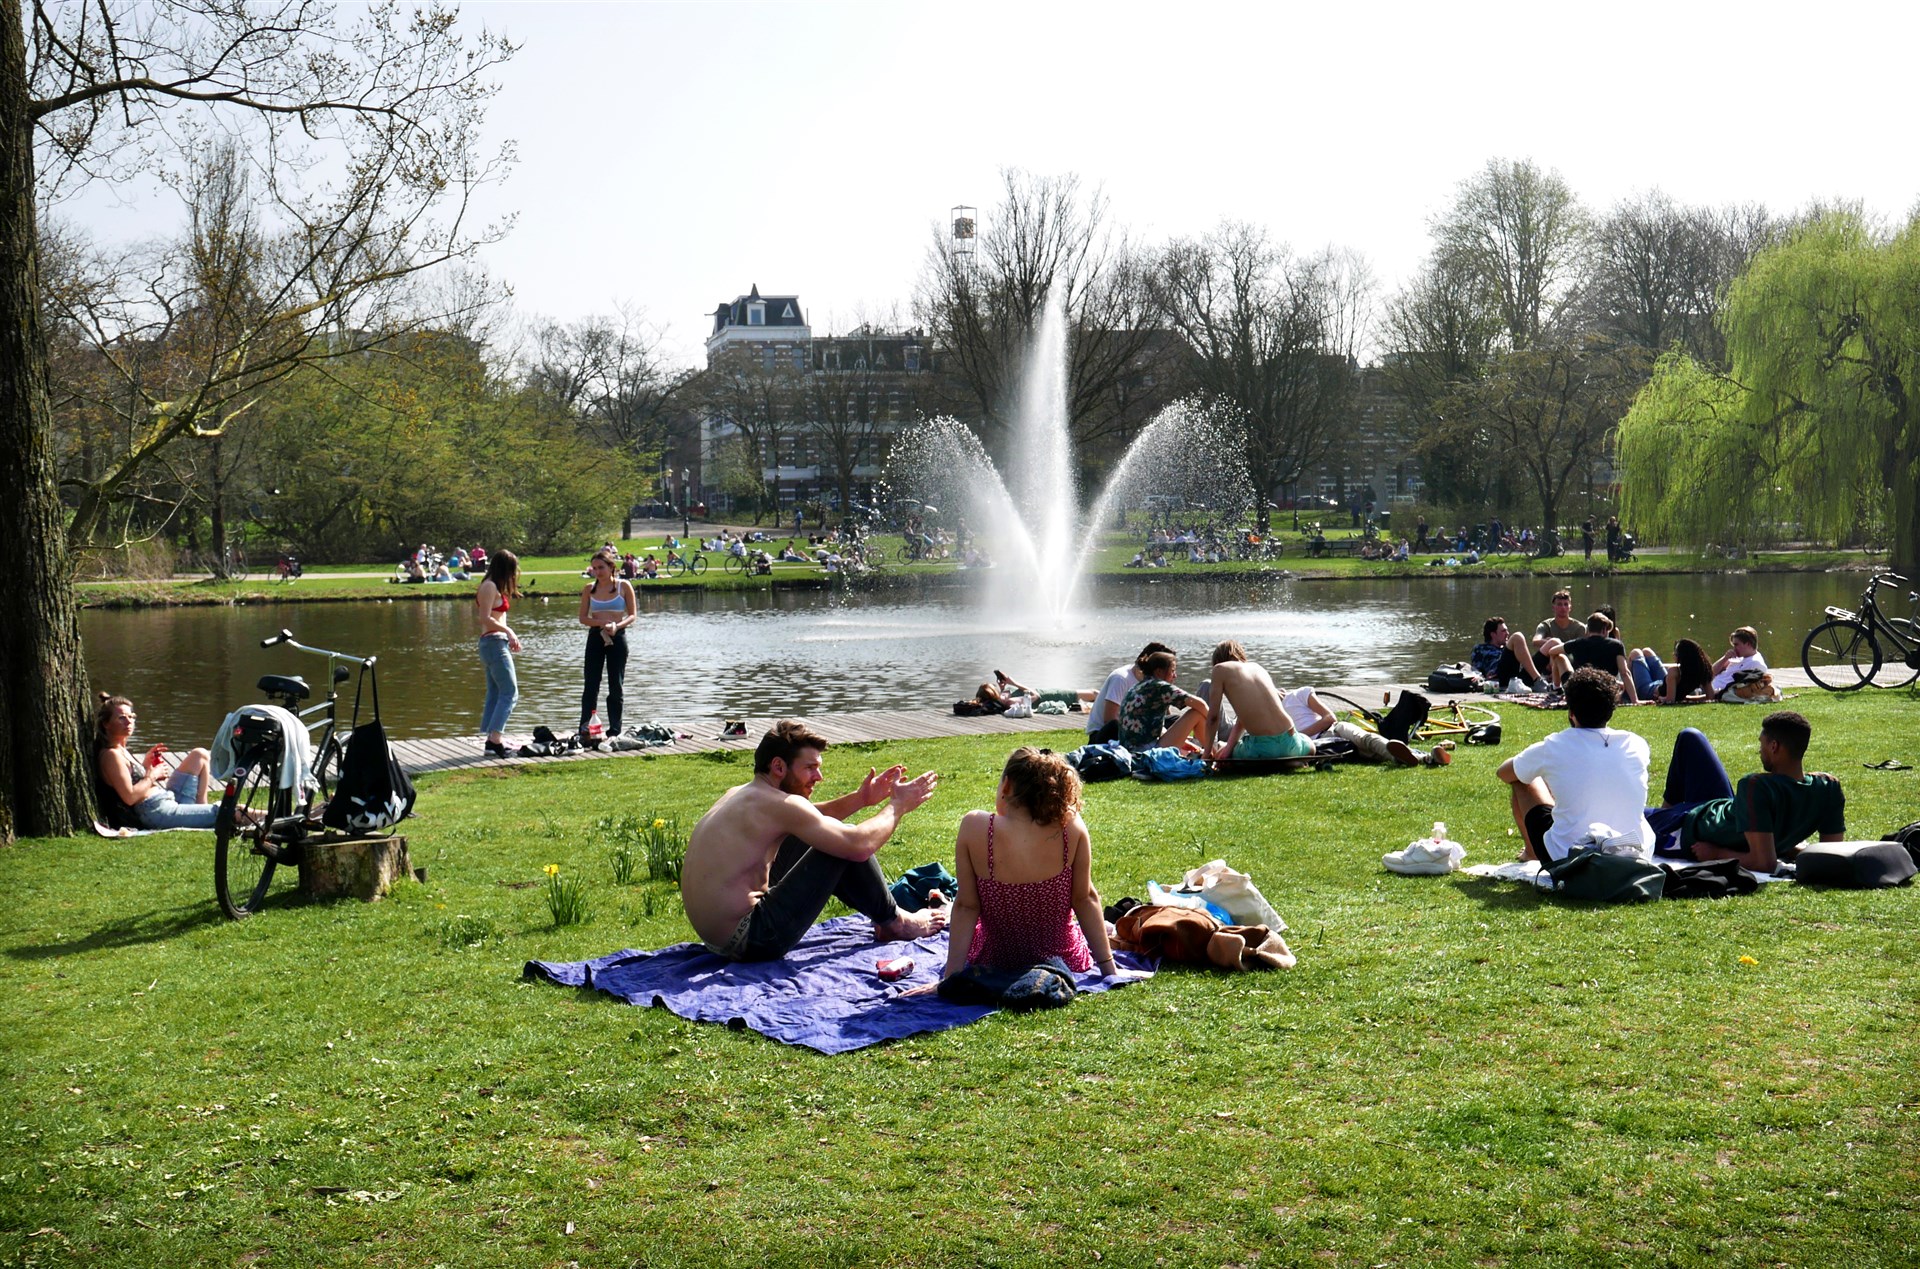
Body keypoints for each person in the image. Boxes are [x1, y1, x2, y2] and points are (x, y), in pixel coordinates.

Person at [681, 721, 948, 961]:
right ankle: (897, 923)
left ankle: (888, 918)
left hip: (717, 939)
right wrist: (897, 806)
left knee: (825, 833)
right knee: (840, 844)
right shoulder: (778, 805)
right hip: (752, 940)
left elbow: (806, 818)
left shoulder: (742, 794)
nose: (818, 777)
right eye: (810, 768)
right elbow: (858, 845)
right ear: (778, 766)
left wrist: (860, 799)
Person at [938, 747, 1120, 981]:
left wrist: (949, 978)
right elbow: (1085, 898)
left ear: (1006, 785)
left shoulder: (976, 827)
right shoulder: (1070, 827)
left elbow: (966, 906)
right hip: (1065, 961)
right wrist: (1109, 970)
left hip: (995, 961)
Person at [1647, 712, 1845, 873]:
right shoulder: (1829, 786)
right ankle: (1665, 813)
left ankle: (1663, 820)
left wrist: (1716, 853)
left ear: (1774, 746)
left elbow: (1764, 863)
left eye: (1762, 743)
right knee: (1690, 737)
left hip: (1688, 828)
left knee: (1625, 820)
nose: (1760, 750)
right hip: (1720, 808)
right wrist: (1791, 847)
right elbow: (1830, 853)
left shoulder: (1756, 785)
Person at [1498, 668, 1654, 863]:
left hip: (1570, 857)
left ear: (1571, 712)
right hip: (1636, 852)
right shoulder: (1636, 743)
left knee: (1523, 778)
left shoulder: (1554, 746)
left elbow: (1504, 773)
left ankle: (1531, 852)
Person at [93, 693, 220, 829]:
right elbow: (129, 797)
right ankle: (205, 815)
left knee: (199, 755)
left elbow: (131, 779)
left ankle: (201, 808)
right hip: (156, 811)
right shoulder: (111, 755)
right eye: (122, 718)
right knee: (233, 813)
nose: (129, 721)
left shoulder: (120, 749)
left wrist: (146, 764)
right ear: (106, 724)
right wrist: (152, 775)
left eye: (131, 717)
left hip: (166, 799)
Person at [1275, 680, 1451, 767]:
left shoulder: (1298, 695)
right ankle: (1426, 758)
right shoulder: (1270, 716)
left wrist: (1301, 736)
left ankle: (1415, 758)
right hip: (1317, 747)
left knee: (1367, 740)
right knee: (1370, 753)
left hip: (1334, 730)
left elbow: (1330, 718)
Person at [1202, 641, 1312, 761]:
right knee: (1308, 743)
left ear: (1217, 660)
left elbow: (1213, 717)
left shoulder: (1219, 669)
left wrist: (1206, 755)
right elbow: (1242, 720)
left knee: (1221, 747)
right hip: (1291, 739)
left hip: (1262, 747)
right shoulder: (1257, 668)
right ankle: (1292, 759)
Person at [578, 551, 637, 740]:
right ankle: (585, 727)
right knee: (591, 684)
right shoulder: (589, 589)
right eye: (594, 568)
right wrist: (601, 624)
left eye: (601, 567)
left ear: (611, 567)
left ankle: (614, 730)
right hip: (596, 637)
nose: (597, 572)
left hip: (617, 637)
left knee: (616, 684)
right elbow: (583, 618)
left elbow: (632, 615)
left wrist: (616, 626)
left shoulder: (623, 586)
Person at [1114, 650, 1208, 751]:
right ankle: (1211, 752)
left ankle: (1207, 750)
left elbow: (1150, 726)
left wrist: (1184, 741)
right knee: (1196, 713)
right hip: (1144, 751)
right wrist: (1213, 722)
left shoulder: (1138, 686)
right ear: (1159, 671)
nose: (1175, 676)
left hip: (1129, 748)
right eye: (1172, 671)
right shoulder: (1160, 687)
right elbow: (1200, 704)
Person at [476, 549, 521, 757]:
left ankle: (491, 739)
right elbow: (485, 618)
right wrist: (509, 631)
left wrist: (509, 636)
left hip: (496, 641)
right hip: (493, 643)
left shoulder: (495, 587)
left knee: (495, 692)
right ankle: (494, 740)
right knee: (510, 692)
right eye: (512, 570)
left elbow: (497, 616)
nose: (514, 574)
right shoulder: (489, 586)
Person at [1087, 642, 1174, 743]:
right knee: (1114, 726)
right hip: (1106, 734)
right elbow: (1109, 719)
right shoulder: (1121, 678)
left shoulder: (1157, 682)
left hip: (1138, 727)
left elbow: (1164, 715)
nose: (1172, 674)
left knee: (1175, 721)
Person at [1551, 613, 1640, 704]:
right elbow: (1624, 673)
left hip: (1580, 692)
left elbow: (1552, 651)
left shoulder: (1578, 643)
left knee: (1560, 657)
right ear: (1604, 629)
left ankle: (1556, 688)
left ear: (1588, 630)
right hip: (1606, 692)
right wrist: (1635, 700)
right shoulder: (1616, 645)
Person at [1470, 617, 1552, 692]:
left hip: (1518, 678)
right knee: (1517, 636)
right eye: (1503, 631)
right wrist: (1479, 678)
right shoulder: (1480, 649)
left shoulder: (1506, 648)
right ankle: (1538, 680)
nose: (1507, 633)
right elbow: (1475, 669)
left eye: (1507, 630)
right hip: (1499, 676)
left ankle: (1557, 684)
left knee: (1553, 642)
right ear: (1493, 634)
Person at [974, 670, 1094, 713]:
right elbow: (1035, 696)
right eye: (995, 687)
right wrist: (1013, 682)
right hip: (1051, 696)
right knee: (1094, 694)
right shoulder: (1010, 702)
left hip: (1049, 691)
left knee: (1093, 694)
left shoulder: (1003, 697)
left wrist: (1003, 687)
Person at [1651, 638, 1715, 705]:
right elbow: (1711, 696)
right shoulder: (1703, 671)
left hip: (1652, 691)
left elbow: (1669, 701)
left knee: (1639, 652)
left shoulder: (1674, 672)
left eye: (1676, 653)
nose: (1673, 655)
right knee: (1647, 652)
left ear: (1683, 657)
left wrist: (1661, 698)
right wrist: (1688, 698)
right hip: (1661, 683)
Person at [1709, 626, 1768, 695]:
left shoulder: (1755, 663)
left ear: (1748, 644)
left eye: (1736, 645)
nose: (1734, 648)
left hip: (1714, 691)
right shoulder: (1739, 657)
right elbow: (1711, 673)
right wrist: (1725, 658)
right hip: (1707, 685)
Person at [1532, 589, 1584, 658]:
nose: (1563, 607)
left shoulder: (1579, 628)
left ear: (1570, 607)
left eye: (1566, 604)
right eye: (1559, 604)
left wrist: (1557, 645)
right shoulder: (1546, 625)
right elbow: (1536, 641)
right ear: (1553, 607)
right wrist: (1551, 642)